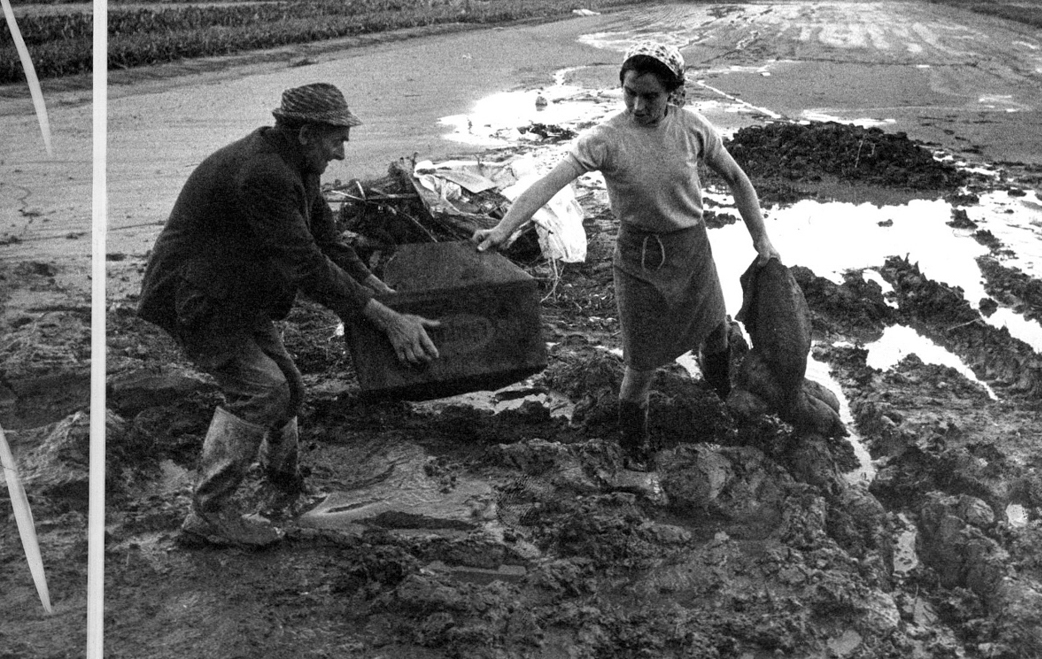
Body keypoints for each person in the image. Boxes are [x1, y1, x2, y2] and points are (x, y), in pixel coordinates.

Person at [138, 83, 440, 548]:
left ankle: (282, 486)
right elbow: (305, 264)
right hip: (195, 296)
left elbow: (329, 244)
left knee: (291, 391)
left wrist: (380, 291)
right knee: (264, 391)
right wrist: (386, 319)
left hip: (237, 292)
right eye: (336, 140)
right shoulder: (263, 174)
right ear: (305, 134)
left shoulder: (300, 165)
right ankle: (208, 513)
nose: (342, 153)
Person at [473, 42, 779, 468]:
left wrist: (761, 239)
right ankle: (633, 446)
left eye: (650, 96)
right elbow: (548, 184)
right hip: (639, 261)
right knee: (641, 366)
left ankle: (718, 398)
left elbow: (737, 179)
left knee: (715, 331)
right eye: (629, 93)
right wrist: (504, 228)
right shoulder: (605, 139)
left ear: (672, 93)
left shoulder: (693, 128)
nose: (637, 106)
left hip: (692, 252)